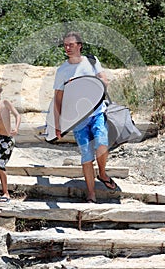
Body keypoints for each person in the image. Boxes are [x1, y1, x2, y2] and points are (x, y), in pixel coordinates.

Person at [53, 32, 117, 203]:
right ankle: (91, 193)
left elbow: (104, 82)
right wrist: (57, 124)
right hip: (78, 119)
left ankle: (102, 173)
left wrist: (82, 81)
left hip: (97, 112)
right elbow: (58, 98)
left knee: (102, 144)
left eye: (71, 45)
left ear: (80, 45)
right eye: (65, 45)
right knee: (86, 155)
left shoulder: (92, 61)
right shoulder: (62, 70)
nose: (67, 48)